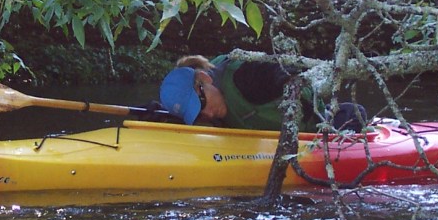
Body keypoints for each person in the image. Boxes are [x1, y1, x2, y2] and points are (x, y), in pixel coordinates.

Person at [158, 53, 368, 131]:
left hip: (318, 126)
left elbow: (282, 69)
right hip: (263, 143)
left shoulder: (247, 76)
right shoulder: (203, 94)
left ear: (204, 80)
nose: (208, 115)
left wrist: (284, 80)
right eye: (198, 115)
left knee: (355, 114)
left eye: (201, 106)